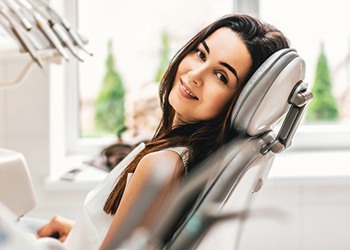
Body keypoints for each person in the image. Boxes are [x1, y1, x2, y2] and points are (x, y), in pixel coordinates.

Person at [36, 13, 290, 249]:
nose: (195, 75)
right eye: (201, 54)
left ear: (240, 101)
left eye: (221, 76)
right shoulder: (190, 157)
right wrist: (78, 231)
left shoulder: (162, 166)